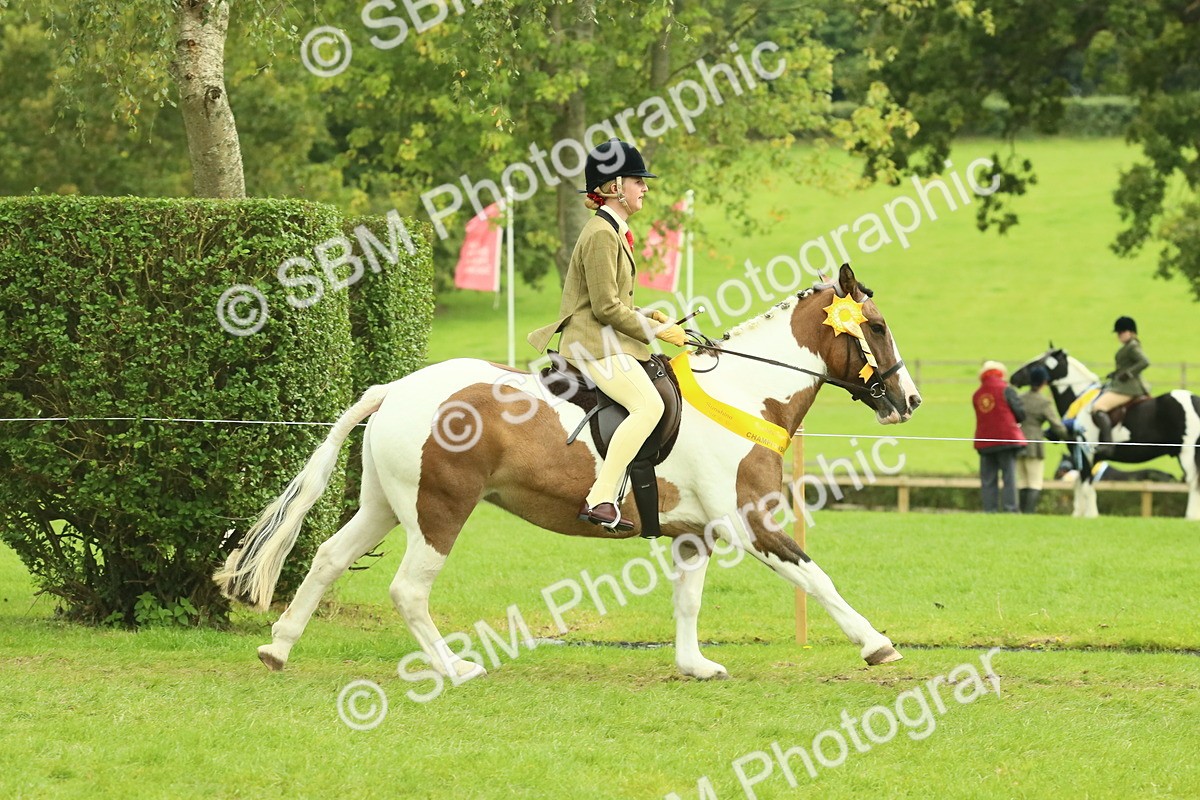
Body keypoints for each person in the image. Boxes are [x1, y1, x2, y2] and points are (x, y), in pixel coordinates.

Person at [527, 139, 687, 532]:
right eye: (638, 181)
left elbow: (616, 301)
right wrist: (657, 330)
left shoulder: (612, 230)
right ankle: (600, 497)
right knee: (649, 406)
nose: (645, 188)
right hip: (592, 347)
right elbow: (604, 309)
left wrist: (649, 313)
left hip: (606, 340)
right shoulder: (601, 233)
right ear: (615, 186)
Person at [1090, 316, 1150, 458]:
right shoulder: (1128, 346)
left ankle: (1107, 444)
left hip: (1128, 388)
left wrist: (1128, 374)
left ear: (1130, 332)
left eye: (1121, 332)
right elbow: (1126, 365)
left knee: (1098, 407)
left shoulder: (1132, 346)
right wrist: (1115, 373)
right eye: (1118, 333)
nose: (1119, 335)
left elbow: (1144, 362)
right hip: (1123, 385)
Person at [973, 360, 1026, 513]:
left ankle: (990, 509)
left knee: (988, 479)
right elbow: (1020, 413)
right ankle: (1010, 509)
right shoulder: (1006, 389)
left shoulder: (977, 394)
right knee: (1009, 477)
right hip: (1007, 439)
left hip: (984, 441)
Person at [1016, 365, 1068, 513]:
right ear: (1044, 382)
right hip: (1034, 444)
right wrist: (1070, 436)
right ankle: (1029, 513)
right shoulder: (1044, 402)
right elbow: (1057, 426)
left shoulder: (1020, 398)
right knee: (1034, 482)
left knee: (1023, 481)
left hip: (1018, 441)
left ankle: (1021, 512)